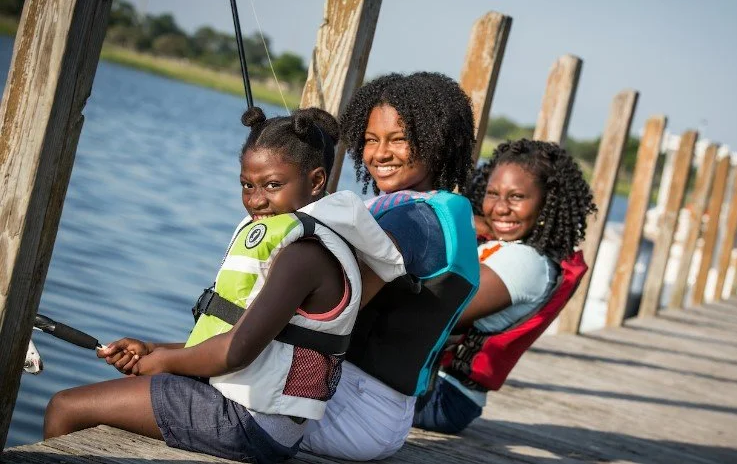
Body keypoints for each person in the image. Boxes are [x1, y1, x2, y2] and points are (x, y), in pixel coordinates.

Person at [42, 107, 405, 464]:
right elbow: (252, 339)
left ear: (315, 181)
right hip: (263, 423)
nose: (256, 199)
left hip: (248, 424)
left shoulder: (304, 256)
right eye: (247, 184)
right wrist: (153, 349)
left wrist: (162, 362)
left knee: (66, 407)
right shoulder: (310, 244)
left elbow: (235, 353)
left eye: (273, 185)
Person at [299, 72, 481, 460]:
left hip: (351, 411)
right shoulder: (438, 210)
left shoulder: (412, 222)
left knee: (174, 390)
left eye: (399, 139)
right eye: (369, 139)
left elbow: (331, 310)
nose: (380, 154)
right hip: (376, 412)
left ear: (437, 141)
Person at [412, 138, 597, 434]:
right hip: (435, 386)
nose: (500, 208)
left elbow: (435, 310)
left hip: (442, 397)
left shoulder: (525, 263)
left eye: (516, 197)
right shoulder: (506, 247)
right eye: (493, 194)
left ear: (547, 203)